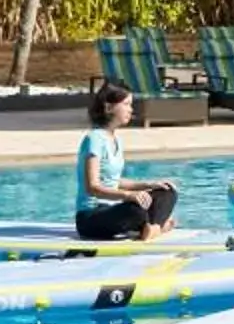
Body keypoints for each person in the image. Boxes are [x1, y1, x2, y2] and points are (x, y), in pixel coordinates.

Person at [74, 81, 179, 241]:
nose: (131, 109)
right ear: (108, 108)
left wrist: (149, 185)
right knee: (136, 210)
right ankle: (153, 226)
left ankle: (152, 227)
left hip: (113, 208)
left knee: (168, 191)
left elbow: (115, 181)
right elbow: (93, 187)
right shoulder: (94, 139)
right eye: (126, 104)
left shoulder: (115, 139)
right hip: (91, 217)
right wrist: (129, 195)